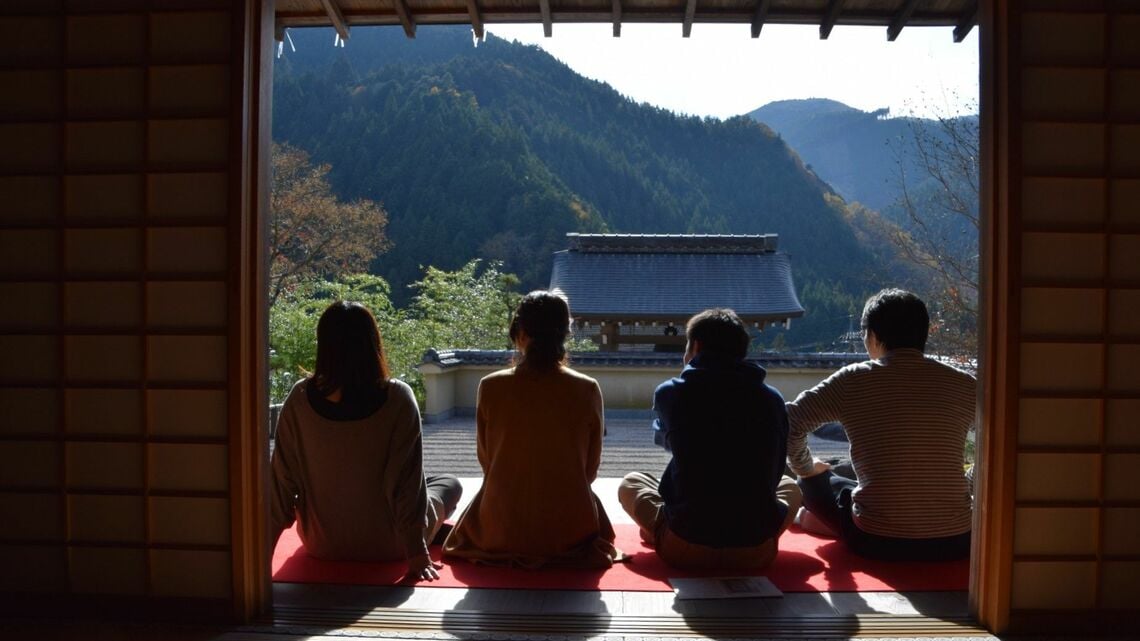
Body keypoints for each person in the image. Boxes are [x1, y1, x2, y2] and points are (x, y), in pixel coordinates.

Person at [270, 301, 462, 581]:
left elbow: (280, 484)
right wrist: (417, 555)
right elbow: (406, 484)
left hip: (322, 544)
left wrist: (259, 559)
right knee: (448, 483)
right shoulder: (397, 397)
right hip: (392, 544)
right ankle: (433, 530)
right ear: (373, 342)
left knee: (429, 483)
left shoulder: (299, 398)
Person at [786, 288, 976, 561]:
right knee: (844, 483)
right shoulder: (964, 384)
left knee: (816, 480)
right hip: (957, 540)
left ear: (872, 335)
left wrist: (805, 468)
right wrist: (968, 488)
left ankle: (817, 520)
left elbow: (791, 422)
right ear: (923, 333)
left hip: (875, 541)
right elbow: (998, 443)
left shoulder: (853, 379)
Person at [442, 290, 619, 568]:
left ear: (520, 333)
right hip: (568, 532)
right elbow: (590, 470)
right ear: (564, 334)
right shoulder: (586, 388)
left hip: (500, 530)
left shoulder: (490, 386)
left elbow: (487, 462)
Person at [618, 308, 802, 571]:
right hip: (756, 552)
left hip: (684, 547)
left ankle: (658, 530)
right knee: (790, 486)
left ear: (696, 346)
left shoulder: (671, 394)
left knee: (631, 482)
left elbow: (667, 441)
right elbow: (775, 470)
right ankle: (663, 529)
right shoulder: (771, 399)